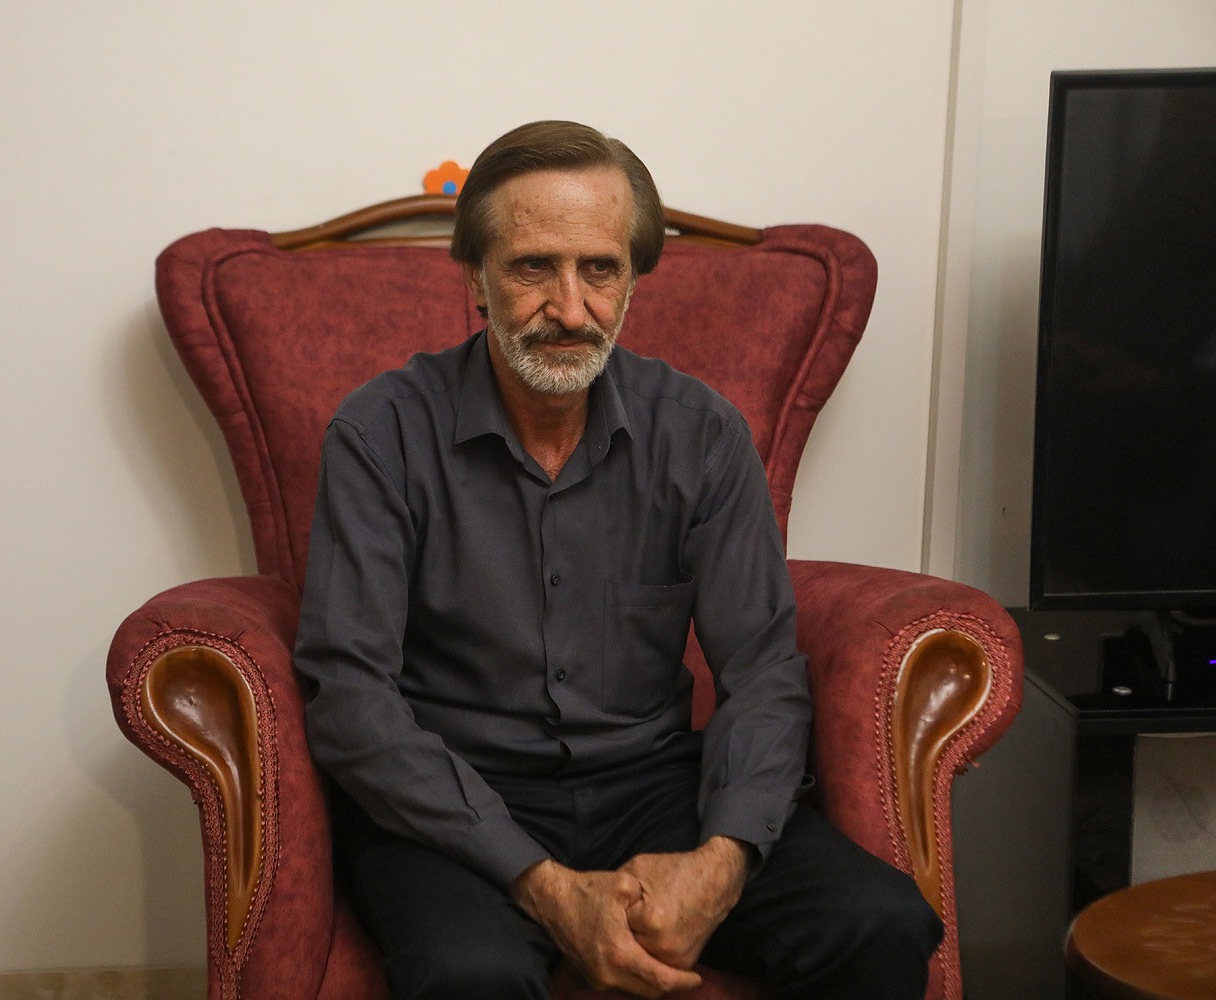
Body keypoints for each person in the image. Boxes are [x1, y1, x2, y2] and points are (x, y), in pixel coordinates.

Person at [292, 120, 942, 1000]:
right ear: (475, 276)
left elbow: (761, 671)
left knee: (881, 920)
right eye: (533, 267)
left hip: (656, 787)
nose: (570, 309)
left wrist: (720, 862)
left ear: (632, 276)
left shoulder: (702, 435)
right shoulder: (381, 433)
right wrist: (545, 886)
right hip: (453, 800)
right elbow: (349, 695)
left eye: (599, 269)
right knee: (469, 975)